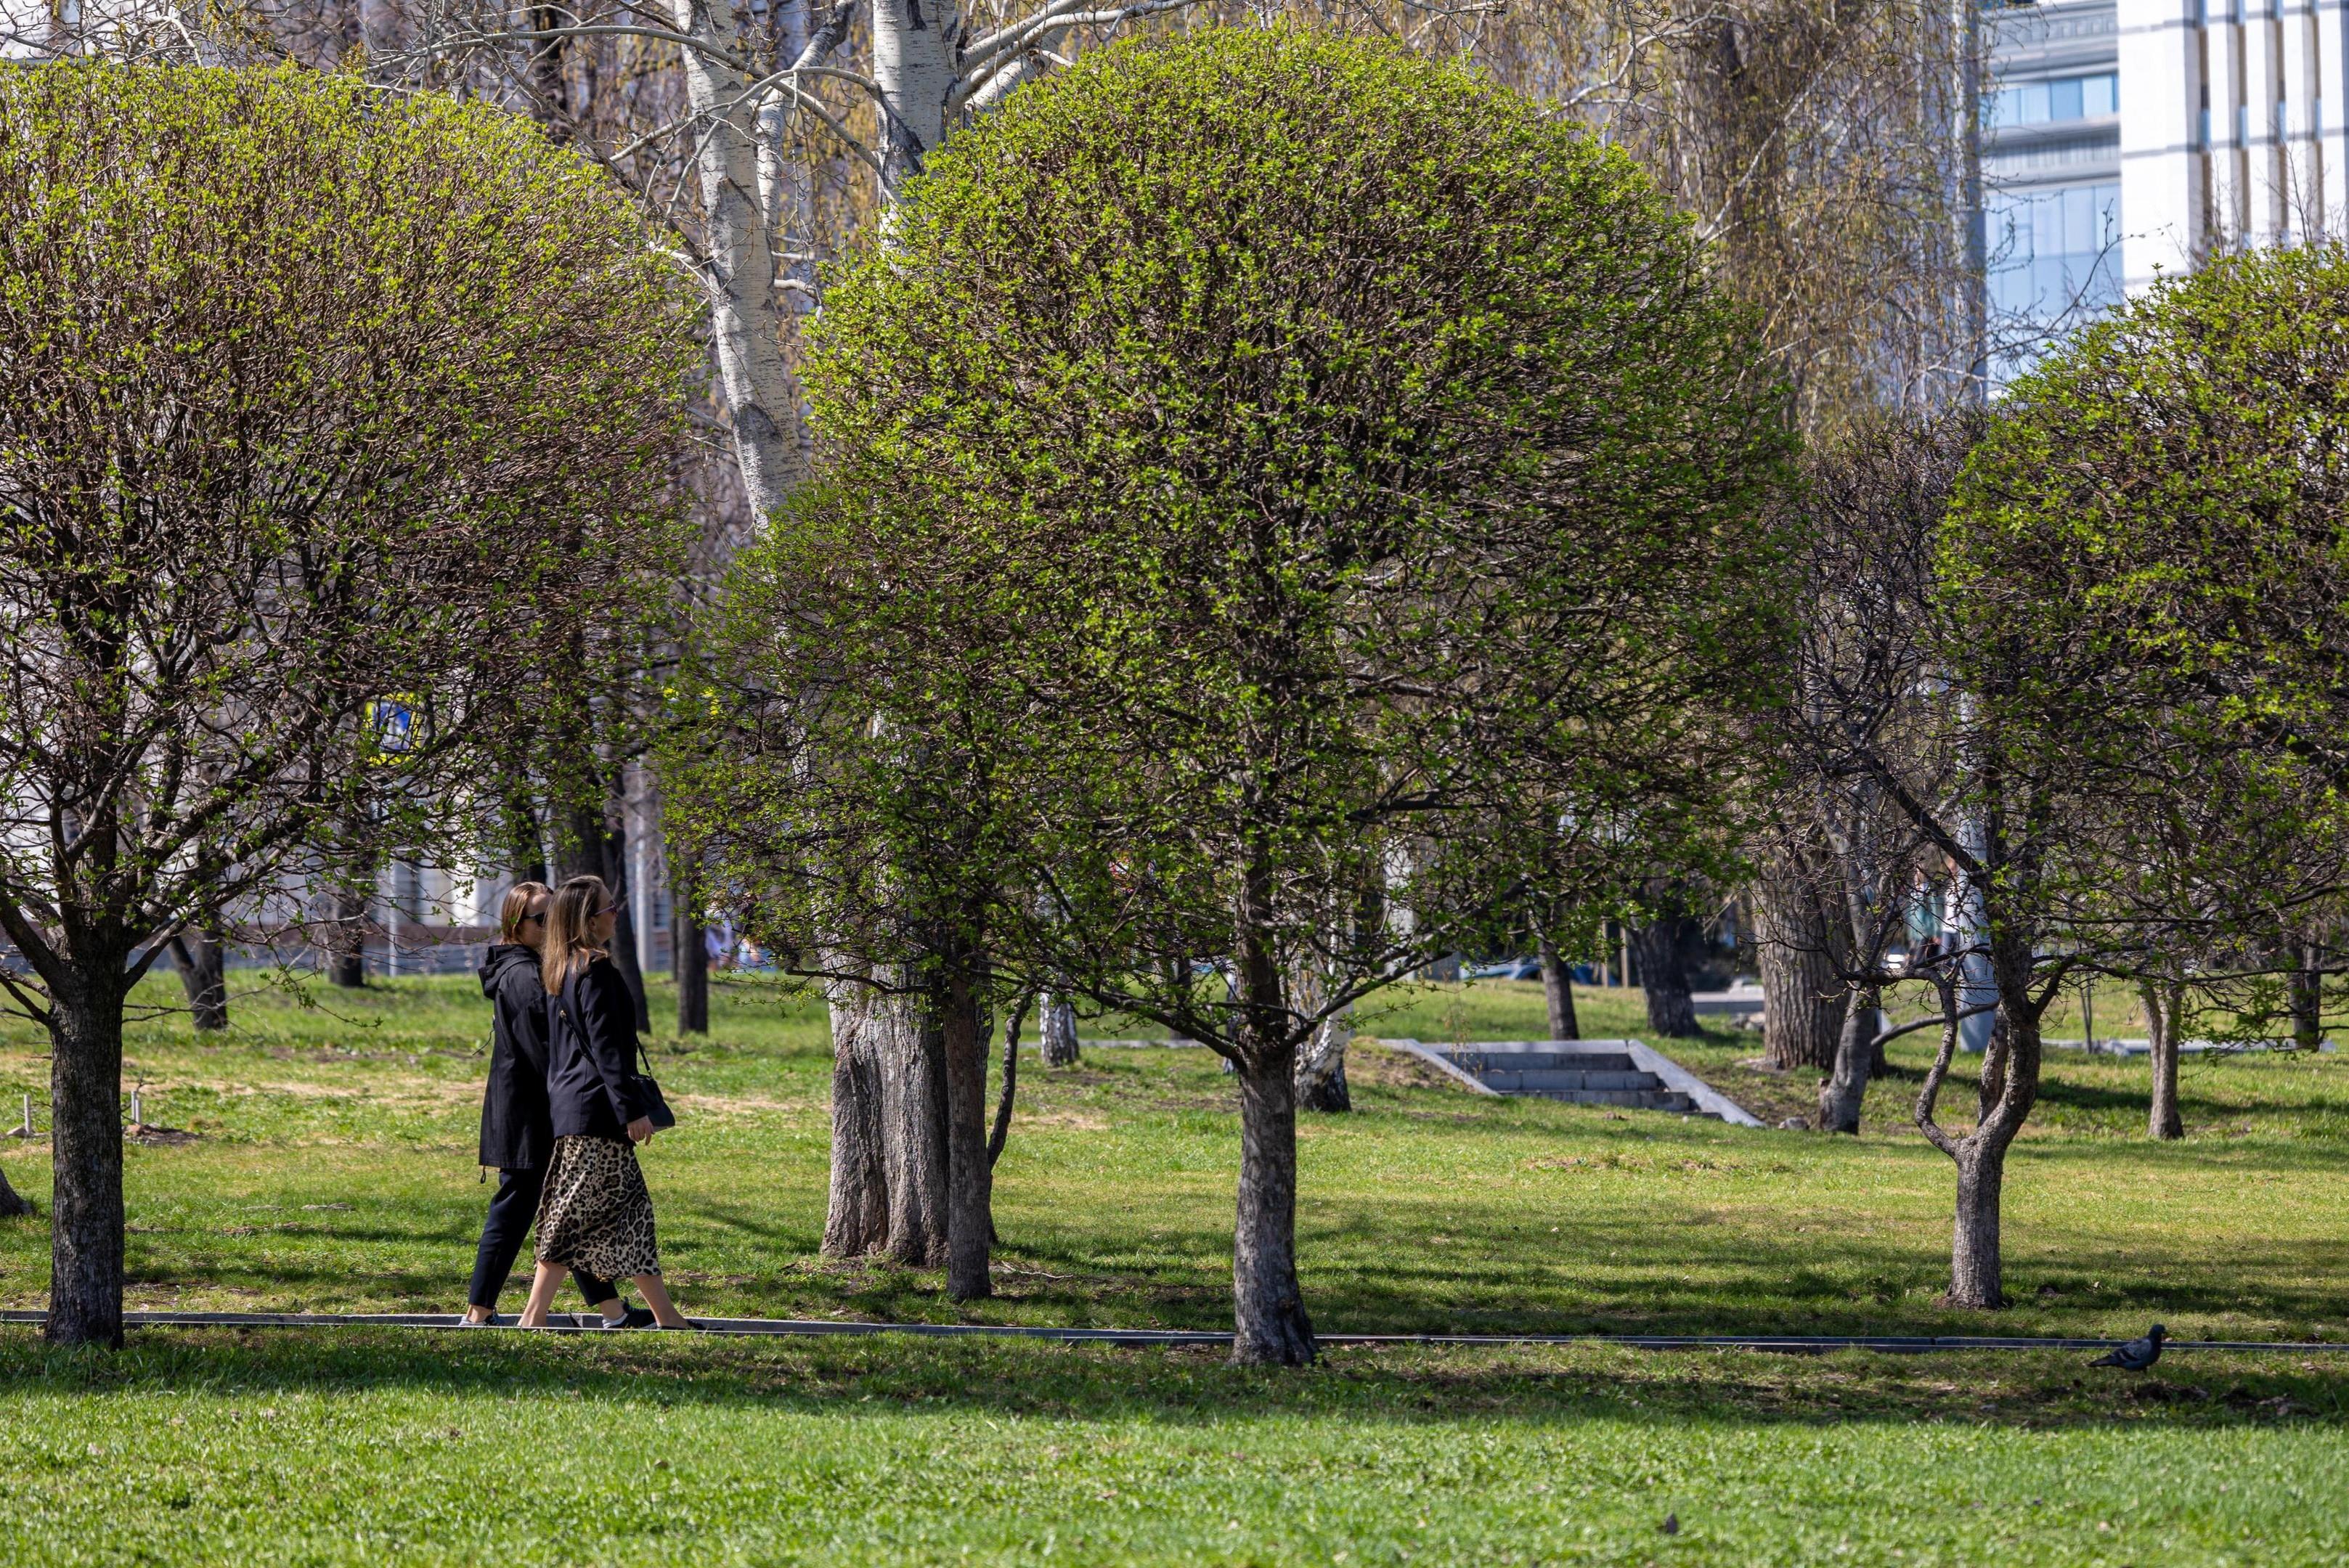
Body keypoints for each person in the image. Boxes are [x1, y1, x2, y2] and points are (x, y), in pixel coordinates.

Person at [463, 881, 652, 1328]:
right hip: (532, 1114)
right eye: (540, 919)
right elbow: (547, 1052)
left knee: (569, 1210)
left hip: (542, 1107)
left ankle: (611, 1311)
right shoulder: (524, 976)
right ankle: (479, 1311)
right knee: (522, 1209)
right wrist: (580, 1101)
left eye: (553, 916)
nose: (550, 925)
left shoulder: (533, 967)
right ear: (516, 925)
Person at [516, 874, 693, 1330]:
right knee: (568, 1219)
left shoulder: (563, 969)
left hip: (580, 1110)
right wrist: (630, 1109)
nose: (617, 913)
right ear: (589, 919)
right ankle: (533, 1318)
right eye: (609, 908)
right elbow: (607, 1048)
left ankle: (667, 1317)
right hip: (596, 1113)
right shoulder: (592, 970)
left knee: (627, 1214)